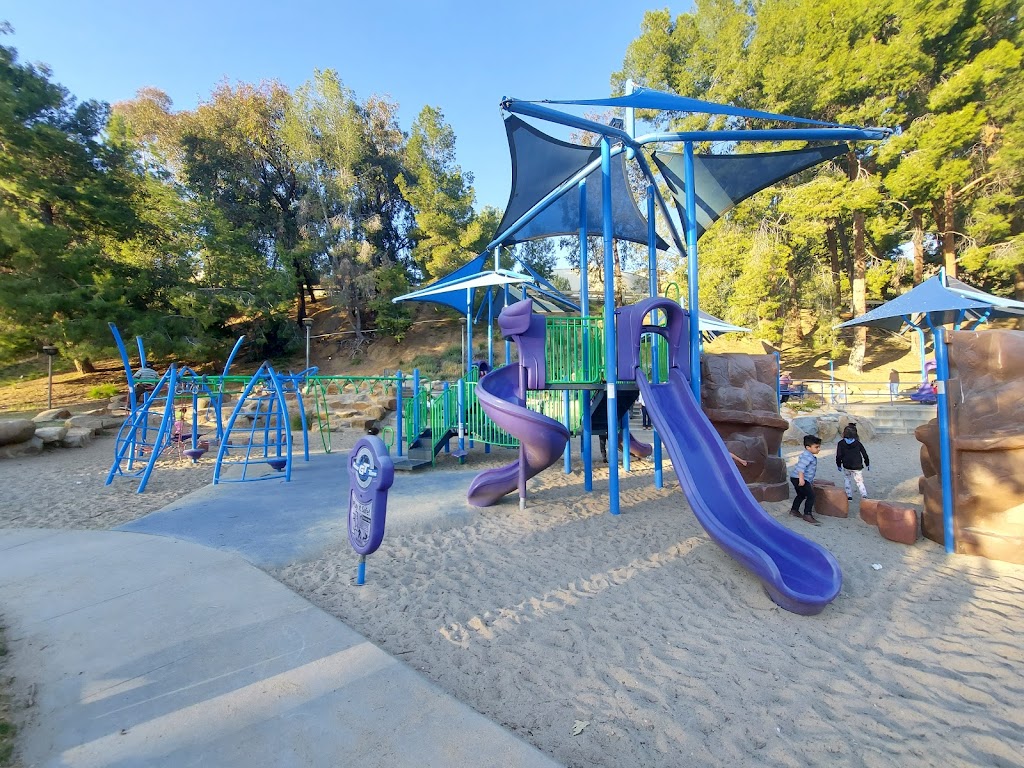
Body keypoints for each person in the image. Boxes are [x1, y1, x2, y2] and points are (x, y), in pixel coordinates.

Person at [789, 434, 822, 525]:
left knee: (801, 495)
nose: (819, 449)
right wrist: (801, 479)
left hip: (797, 478)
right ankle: (807, 514)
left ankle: (794, 510)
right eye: (816, 447)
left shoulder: (808, 455)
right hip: (799, 478)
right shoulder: (807, 456)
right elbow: (801, 468)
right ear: (808, 447)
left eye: (819, 447)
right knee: (811, 496)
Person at [836, 424, 870, 501]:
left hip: (846, 465)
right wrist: (867, 463)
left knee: (847, 479)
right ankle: (864, 495)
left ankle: (849, 496)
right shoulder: (858, 443)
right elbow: (864, 454)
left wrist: (839, 465)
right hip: (857, 466)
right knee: (859, 481)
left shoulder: (841, 443)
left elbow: (839, 455)